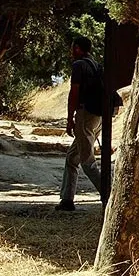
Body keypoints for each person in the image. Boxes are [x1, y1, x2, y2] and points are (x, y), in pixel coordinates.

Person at [56, 36, 103, 211]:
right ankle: (67, 199)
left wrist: (70, 119)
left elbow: (74, 93)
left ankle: (110, 195)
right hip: (98, 116)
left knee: (87, 161)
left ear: (77, 48)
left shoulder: (78, 66)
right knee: (72, 157)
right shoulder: (96, 65)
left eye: (72, 48)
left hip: (86, 115)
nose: (71, 51)